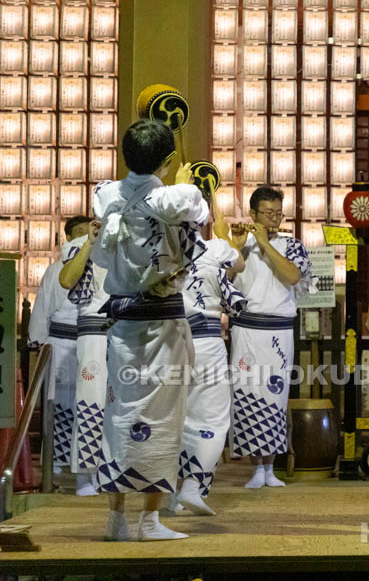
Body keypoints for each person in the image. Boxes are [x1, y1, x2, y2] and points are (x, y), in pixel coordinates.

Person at [90, 118, 208, 541]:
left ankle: (116, 517)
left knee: (121, 413)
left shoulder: (106, 194)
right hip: (162, 322)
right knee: (163, 417)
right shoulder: (177, 196)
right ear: (169, 159)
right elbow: (199, 210)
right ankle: (151, 521)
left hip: (122, 326)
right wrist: (180, 178)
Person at [228, 186, 313, 489]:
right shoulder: (241, 244)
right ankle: (256, 468)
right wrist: (237, 245)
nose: (275, 218)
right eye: (268, 213)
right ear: (253, 214)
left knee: (275, 397)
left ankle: (270, 468)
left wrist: (266, 243)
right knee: (247, 394)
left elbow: (292, 276)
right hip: (246, 329)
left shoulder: (292, 245)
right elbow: (221, 281)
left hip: (278, 330)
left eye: (278, 212)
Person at [173, 193, 247, 515]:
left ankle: (166, 493)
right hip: (206, 338)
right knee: (213, 418)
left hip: (168, 341)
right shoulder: (215, 249)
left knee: (174, 417)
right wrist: (233, 241)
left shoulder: (164, 250)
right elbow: (239, 265)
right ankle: (193, 486)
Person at [27, 216, 92, 475]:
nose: (84, 239)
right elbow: (42, 307)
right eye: (79, 233)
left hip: (92, 342)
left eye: (88, 234)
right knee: (59, 404)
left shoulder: (101, 268)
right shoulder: (55, 271)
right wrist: (39, 342)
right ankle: (56, 461)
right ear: (67, 238)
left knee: (89, 404)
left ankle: (85, 463)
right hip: (60, 342)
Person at [59, 217, 112, 497]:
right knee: (90, 401)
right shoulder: (79, 244)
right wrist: (90, 243)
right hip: (93, 328)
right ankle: (85, 476)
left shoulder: (129, 241)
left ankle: (112, 472)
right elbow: (67, 280)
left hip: (125, 328)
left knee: (119, 407)